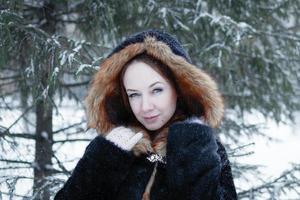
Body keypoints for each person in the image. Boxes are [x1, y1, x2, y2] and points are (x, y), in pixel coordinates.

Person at [55, 30, 237, 200]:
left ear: (180, 88)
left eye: (156, 90)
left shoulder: (204, 148)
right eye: (134, 94)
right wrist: (106, 158)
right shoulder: (109, 148)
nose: (145, 106)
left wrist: (191, 145)